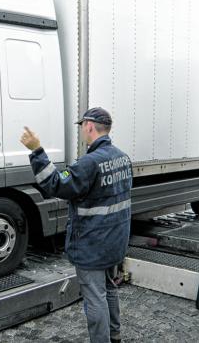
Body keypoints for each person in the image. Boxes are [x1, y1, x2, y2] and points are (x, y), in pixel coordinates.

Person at [20, 107, 132, 343]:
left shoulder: (89, 163)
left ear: (89, 126)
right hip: (115, 242)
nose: (82, 130)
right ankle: (115, 335)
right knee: (109, 288)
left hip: (92, 245)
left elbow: (56, 186)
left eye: (82, 126)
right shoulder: (122, 157)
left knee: (95, 297)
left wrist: (36, 151)